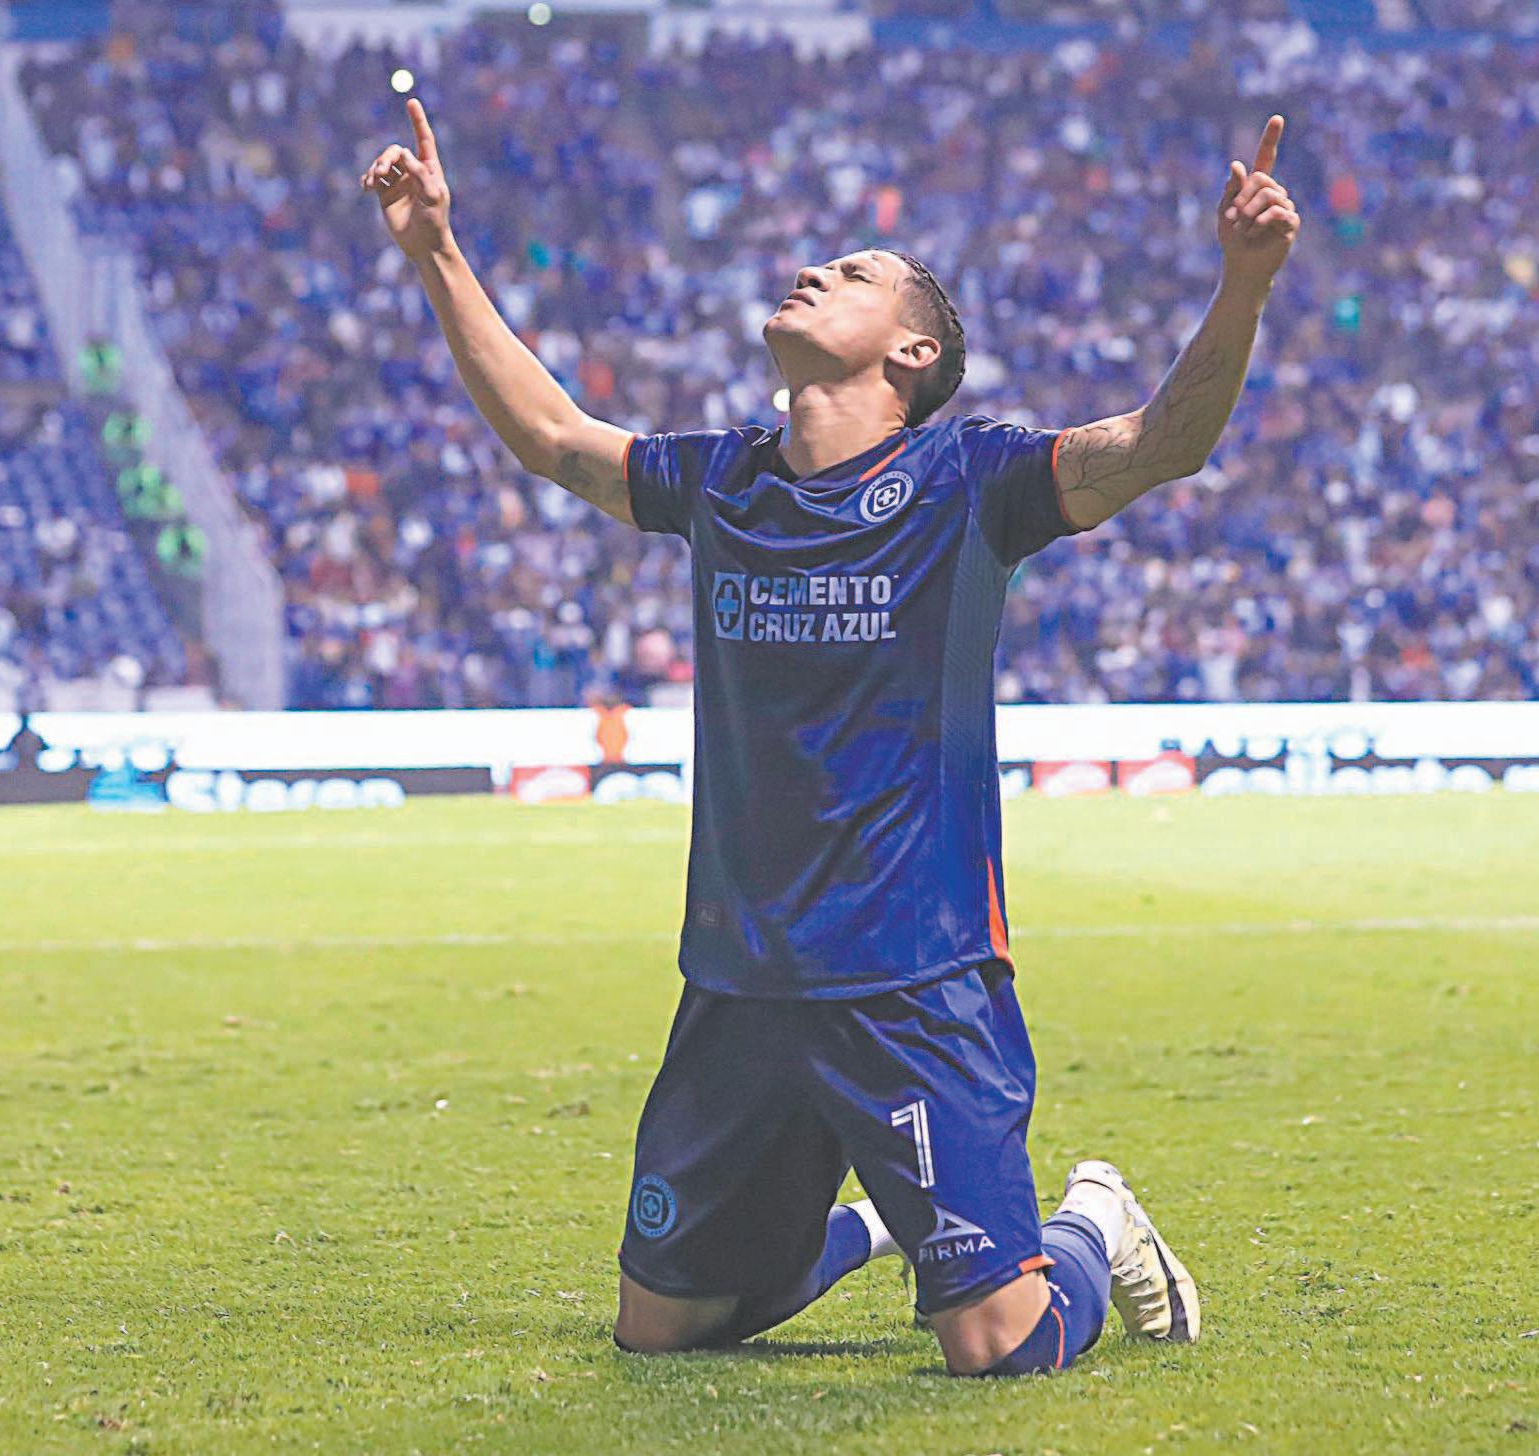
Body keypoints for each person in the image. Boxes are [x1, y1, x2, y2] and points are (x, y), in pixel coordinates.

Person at [361, 98, 1299, 1377]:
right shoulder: (724, 478)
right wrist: (435, 251)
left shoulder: (972, 482)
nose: (812, 271)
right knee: (659, 1330)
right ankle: (874, 1224)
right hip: (739, 974)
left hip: (910, 974)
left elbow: (1161, 442)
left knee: (996, 1347)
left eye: (852, 273)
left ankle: (1091, 1223)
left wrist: (1242, 282)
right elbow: (557, 439)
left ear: (912, 351)